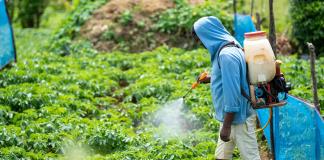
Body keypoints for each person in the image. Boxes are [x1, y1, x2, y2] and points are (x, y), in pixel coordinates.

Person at [192, 16, 261, 160]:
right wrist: (211, 78)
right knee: (221, 157)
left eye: (200, 39)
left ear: (208, 34)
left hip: (237, 119)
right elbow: (235, 77)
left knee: (251, 157)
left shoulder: (226, 55)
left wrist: (227, 125)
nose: (201, 43)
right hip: (230, 118)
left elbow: (233, 91)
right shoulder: (232, 44)